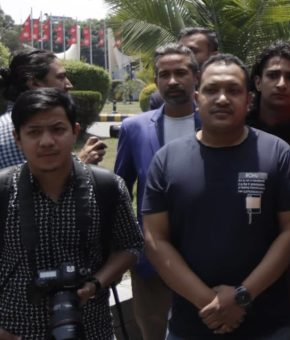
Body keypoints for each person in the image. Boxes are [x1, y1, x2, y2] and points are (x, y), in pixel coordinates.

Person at [142, 53, 290, 339]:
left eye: (233, 90)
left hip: (266, 324)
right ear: (197, 97)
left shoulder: (277, 153)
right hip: (191, 323)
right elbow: (155, 239)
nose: (221, 99)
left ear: (248, 100)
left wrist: (243, 295)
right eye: (211, 90)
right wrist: (209, 302)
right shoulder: (167, 159)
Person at [0, 88, 143, 339]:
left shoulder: (106, 186)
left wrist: (96, 283)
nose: (46, 141)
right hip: (15, 329)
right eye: (34, 132)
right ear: (17, 138)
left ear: (75, 131)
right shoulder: (2, 190)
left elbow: (131, 245)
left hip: (91, 328)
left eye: (57, 129)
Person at [114, 44, 201, 340]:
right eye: (164, 74)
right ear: (156, 79)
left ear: (195, 77)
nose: (173, 81)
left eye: (181, 73)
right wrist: (130, 247)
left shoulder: (217, 122)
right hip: (151, 265)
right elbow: (120, 190)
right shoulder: (134, 128)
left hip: (207, 261)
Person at [0, 48, 107, 169]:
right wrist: (82, 164)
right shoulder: (15, 127)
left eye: (58, 130)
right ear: (35, 83)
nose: (69, 85)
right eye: (61, 77)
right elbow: (37, 184)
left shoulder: (9, 123)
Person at [150, 27, 219, 110]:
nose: (184, 56)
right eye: (180, 50)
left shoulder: (229, 94)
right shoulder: (160, 99)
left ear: (214, 56)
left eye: (192, 51)